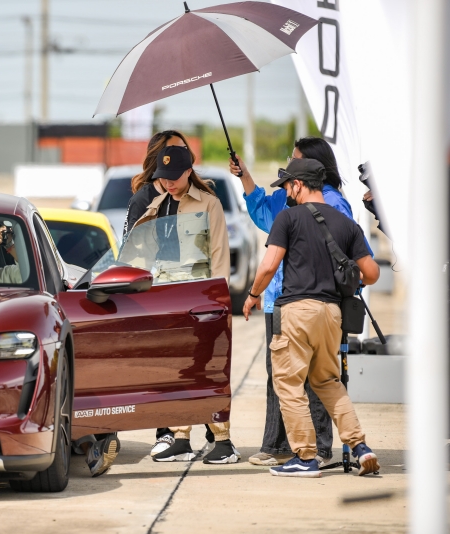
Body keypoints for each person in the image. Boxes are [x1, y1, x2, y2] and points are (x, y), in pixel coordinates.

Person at [229, 136, 371, 467]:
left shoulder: (327, 206)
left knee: (293, 382)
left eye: (293, 161)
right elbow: (369, 269)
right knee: (317, 379)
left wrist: (249, 296)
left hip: (295, 304)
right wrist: (245, 177)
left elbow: (269, 263)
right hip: (300, 305)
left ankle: (312, 453)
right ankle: (350, 446)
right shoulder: (291, 203)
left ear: (300, 181)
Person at [132, 144, 240, 464]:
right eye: (163, 177)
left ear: (189, 172)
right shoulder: (155, 207)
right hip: (167, 302)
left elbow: (220, 256)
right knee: (178, 372)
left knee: (206, 372)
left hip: (201, 302)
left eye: (174, 176)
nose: (168, 183)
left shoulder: (209, 205)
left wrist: (218, 305)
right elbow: (143, 257)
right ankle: (181, 438)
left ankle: (223, 441)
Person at [122, 130, 199, 241]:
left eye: (184, 149)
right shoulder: (142, 201)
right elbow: (130, 252)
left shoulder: (200, 196)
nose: (181, 155)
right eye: (173, 151)